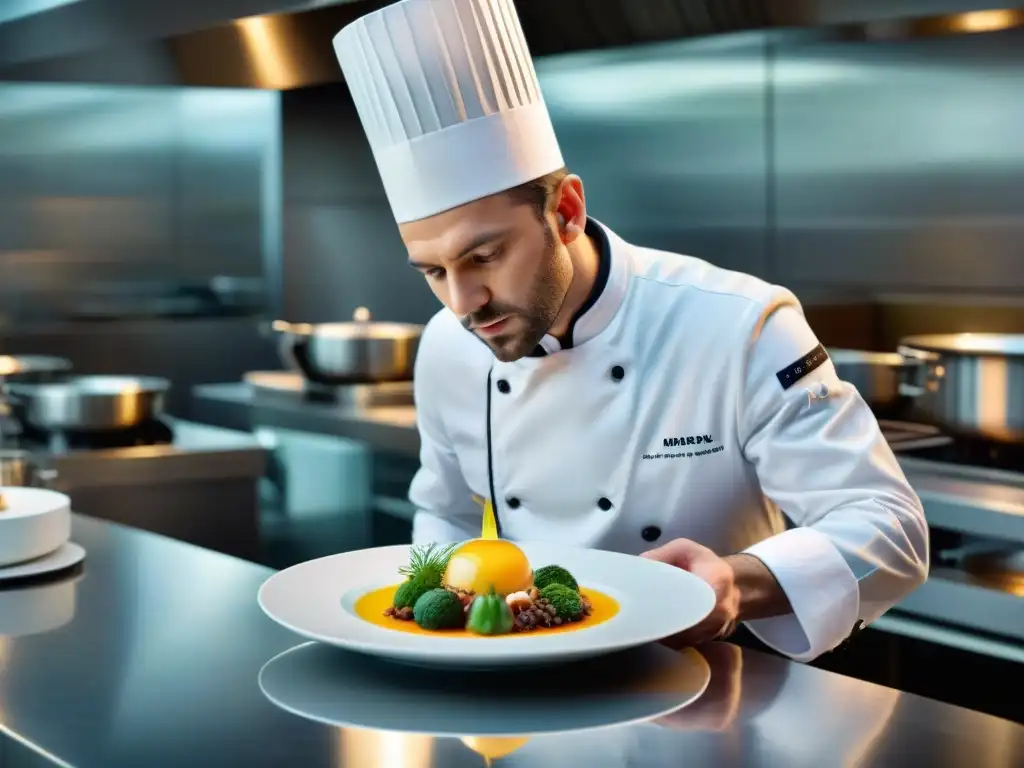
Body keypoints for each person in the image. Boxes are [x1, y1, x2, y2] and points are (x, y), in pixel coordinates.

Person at [332, 0, 928, 663]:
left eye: (484, 257)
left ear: (566, 211)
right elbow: (445, 516)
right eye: (433, 271)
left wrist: (735, 582)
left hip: (714, 691)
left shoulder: (737, 323)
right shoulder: (448, 345)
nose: (464, 301)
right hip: (525, 687)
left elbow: (892, 534)